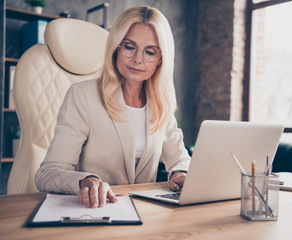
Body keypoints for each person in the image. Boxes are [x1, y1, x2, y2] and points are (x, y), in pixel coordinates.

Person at [35, 6, 191, 208]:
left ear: (160, 60)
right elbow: (46, 174)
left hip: (147, 213)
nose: (138, 59)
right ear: (116, 47)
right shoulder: (83, 95)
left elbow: (181, 160)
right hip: (96, 211)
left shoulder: (161, 103)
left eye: (150, 52)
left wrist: (181, 173)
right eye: (129, 47)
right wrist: (85, 181)